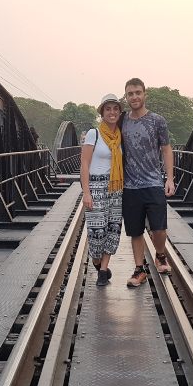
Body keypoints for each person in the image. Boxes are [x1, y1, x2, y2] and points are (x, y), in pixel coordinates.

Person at [121, 78, 175, 288]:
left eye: (138, 92)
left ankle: (160, 255)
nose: (134, 97)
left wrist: (169, 178)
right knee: (135, 231)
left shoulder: (157, 120)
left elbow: (166, 149)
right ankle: (139, 269)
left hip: (153, 182)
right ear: (126, 97)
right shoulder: (123, 120)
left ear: (145, 94)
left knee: (159, 228)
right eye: (130, 94)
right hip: (130, 185)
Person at [80, 94, 124, 287]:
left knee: (113, 229)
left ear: (119, 112)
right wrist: (86, 192)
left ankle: (103, 270)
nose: (112, 112)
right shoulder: (94, 134)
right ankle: (97, 263)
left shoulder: (121, 136)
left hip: (116, 188)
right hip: (96, 187)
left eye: (115, 108)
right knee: (97, 233)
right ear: (102, 112)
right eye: (108, 109)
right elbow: (84, 163)